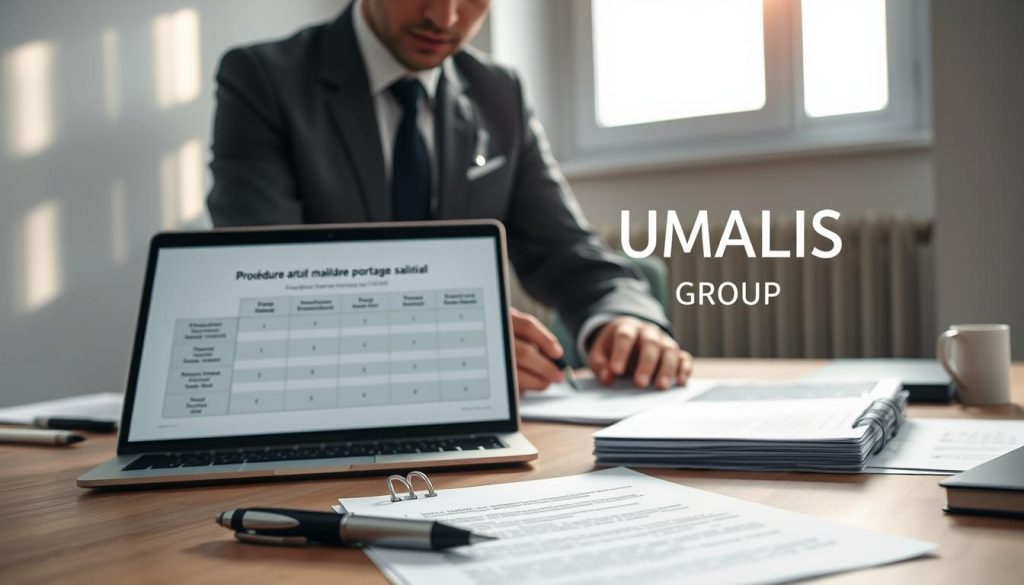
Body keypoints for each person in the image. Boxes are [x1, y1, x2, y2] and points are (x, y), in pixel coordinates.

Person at [207, 0, 693, 391]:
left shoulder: (499, 92)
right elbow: (265, 280)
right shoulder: (262, 79)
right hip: (315, 406)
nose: (445, 17)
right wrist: (444, 342)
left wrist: (624, 318)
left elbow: (565, 250)